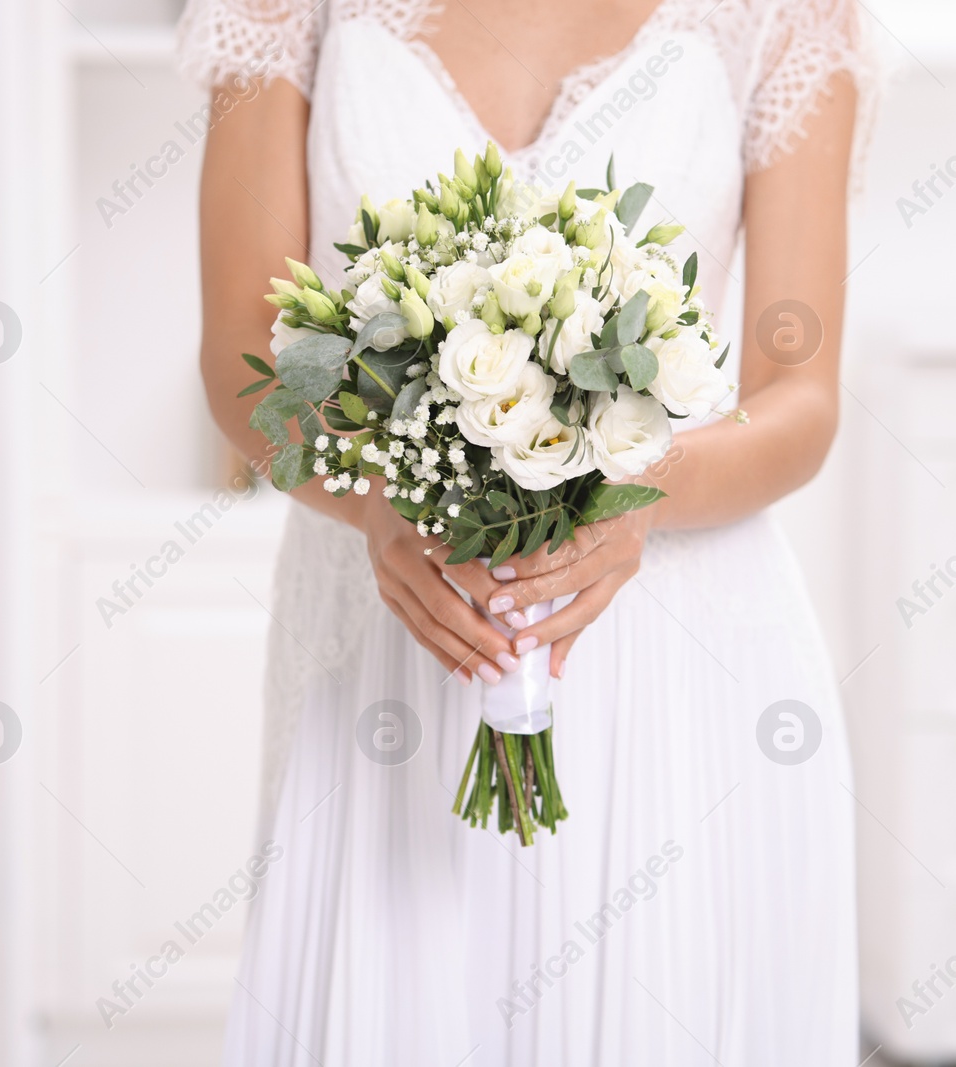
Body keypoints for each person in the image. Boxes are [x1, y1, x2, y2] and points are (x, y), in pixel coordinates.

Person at [178, 0, 879, 1061]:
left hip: (671, 652)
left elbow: (800, 396)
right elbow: (243, 351)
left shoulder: (784, 14)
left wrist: (632, 489)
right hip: (389, 627)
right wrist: (375, 496)